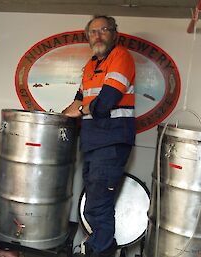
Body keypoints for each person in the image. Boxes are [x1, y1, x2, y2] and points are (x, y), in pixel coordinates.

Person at [63, 15, 135, 257]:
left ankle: (102, 252)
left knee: (98, 205)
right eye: (93, 32)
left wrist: (81, 109)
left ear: (114, 33)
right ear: (88, 37)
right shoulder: (90, 65)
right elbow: (78, 100)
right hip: (93, 142)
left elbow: (106, 102)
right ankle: (97, 248)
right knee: (93, 205)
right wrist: (58, 119)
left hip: (112, 141)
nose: (98, 35)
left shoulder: (121, 57)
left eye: (104, 30)